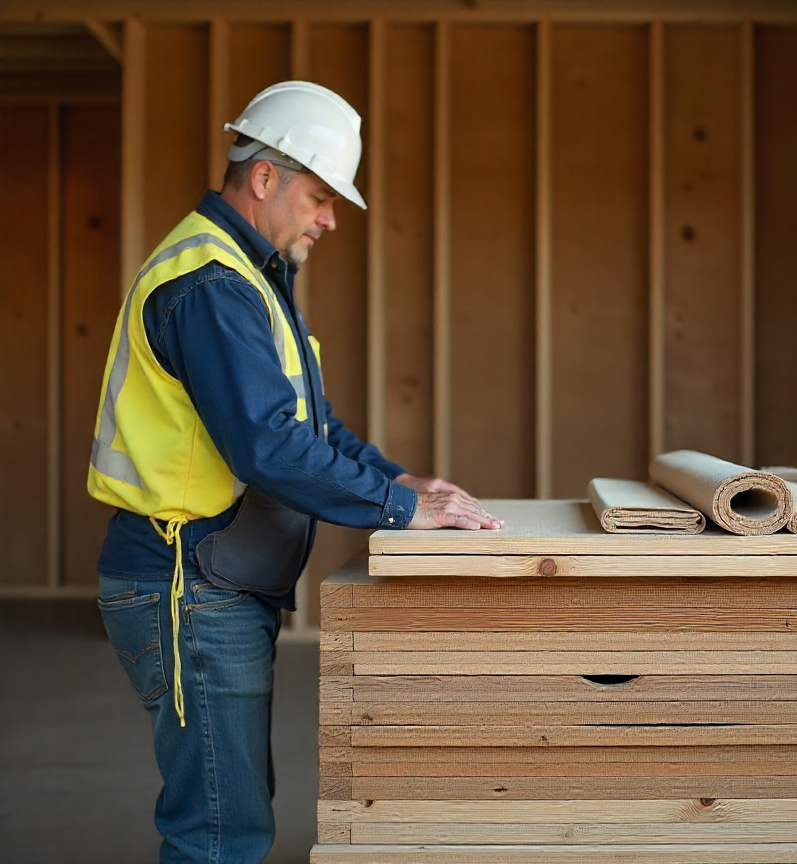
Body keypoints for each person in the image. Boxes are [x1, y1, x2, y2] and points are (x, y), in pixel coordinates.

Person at [87, 81, 501, 864]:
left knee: (230, 812)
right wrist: (398, 511)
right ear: (265, 178)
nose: (331, 219)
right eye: (320, 196)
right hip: (187, 583)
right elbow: (269, 450)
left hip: (213, 581)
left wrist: (399, 482)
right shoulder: (212, 285)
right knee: (220, 829)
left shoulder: (252, 280)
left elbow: (311, 427)